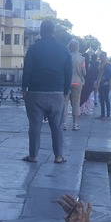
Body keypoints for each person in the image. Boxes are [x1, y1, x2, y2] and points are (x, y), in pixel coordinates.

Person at [21, 20, 72, 164]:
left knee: (35, 126)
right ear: (54, 31)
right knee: (57, 126)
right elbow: (68, 72)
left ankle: (33, 156)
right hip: (56, 93)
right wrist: (65, 91)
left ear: (41, 31)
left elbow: (27, 70)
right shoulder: (64, 50)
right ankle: (58, 156)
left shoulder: (33, 49)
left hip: (36, 92)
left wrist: (24, 88)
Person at [62, 39, 86, 131]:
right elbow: (84, 72)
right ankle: (75, 124)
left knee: (64, 103)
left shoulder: (66, 56)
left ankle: (64, 124)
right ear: (78, 47)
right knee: (76, 104)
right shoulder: (82, 59)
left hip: (67, 82)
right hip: (77, 82)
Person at [95, 52, 111, 119]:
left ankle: (108, 115)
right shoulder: (101, 63)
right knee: (101, 99)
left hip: (105, 84)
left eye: (102, 56)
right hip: (100, 83)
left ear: (105, 56)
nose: (101, 57)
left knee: (106, 99)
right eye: (100, 56)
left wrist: (104, 77)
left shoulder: (107, 64)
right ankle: (102, 114)